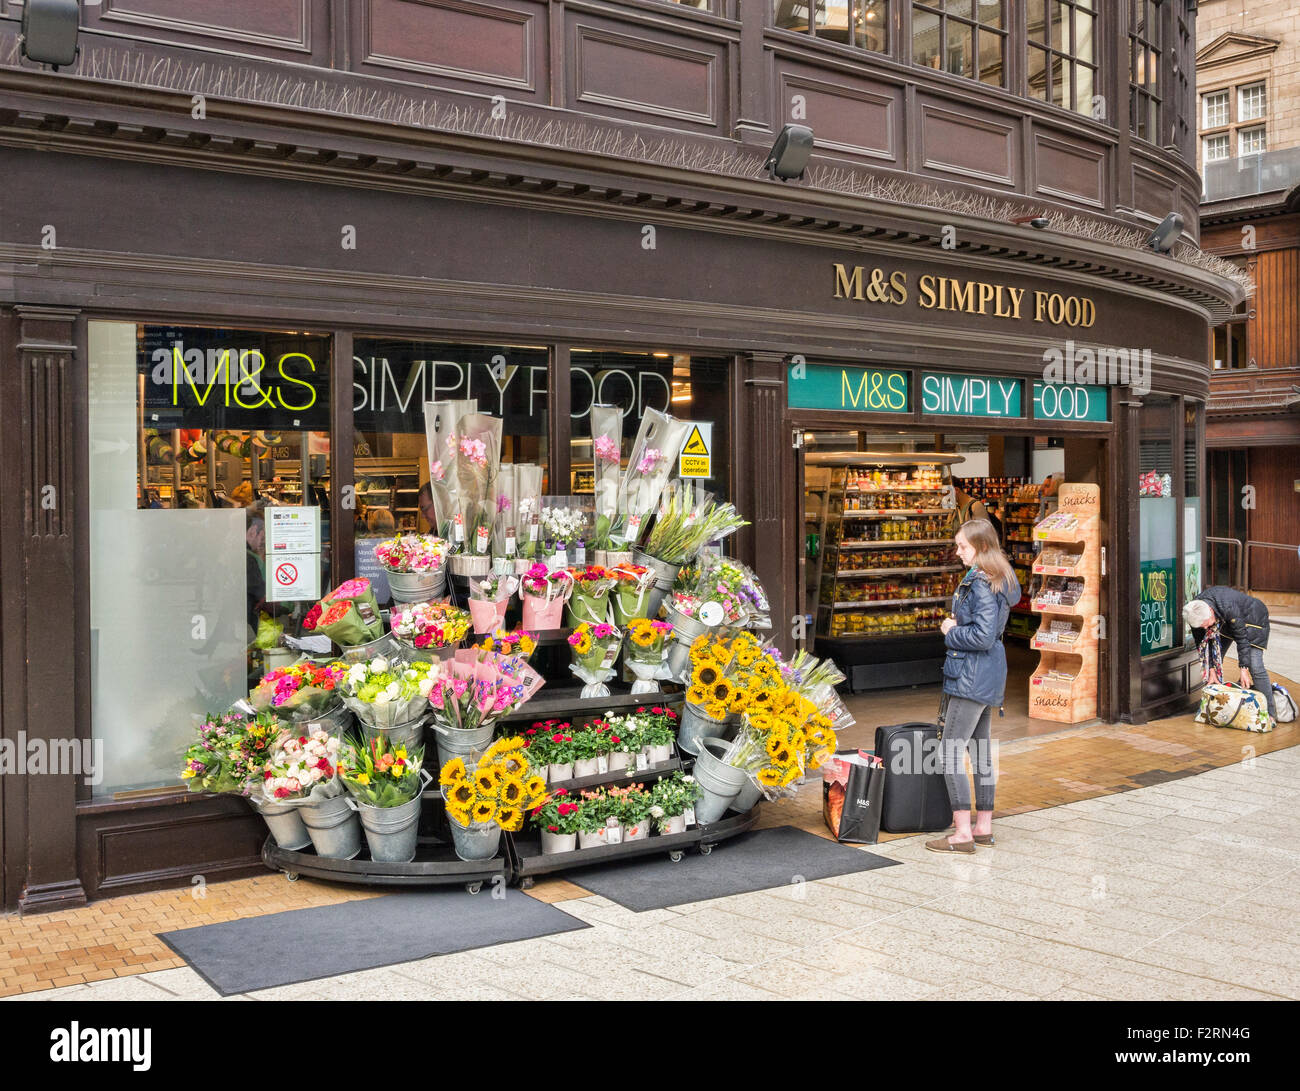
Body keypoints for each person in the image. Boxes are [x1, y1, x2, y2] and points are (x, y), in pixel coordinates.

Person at [927, 518, 1020, 855]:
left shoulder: (980, 582)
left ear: (980, 548)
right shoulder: (1002, 576)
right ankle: (983, 827)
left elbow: (981, 636)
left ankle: (962, 833)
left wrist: (951, 630)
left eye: (962, 546)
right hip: (989, 674)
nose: (957, 551)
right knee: (979, 753)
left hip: (970, 676)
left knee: (950, 752)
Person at [1184, 588, 1276, 721]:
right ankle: (1215, 708)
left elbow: (1241, 638)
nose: (1205, 628)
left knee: (1255, 665)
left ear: (1210, 612)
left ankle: (1270, 714)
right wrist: (1211, 669)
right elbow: (1203, 645)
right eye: (1201, 626)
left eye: (1206, 624)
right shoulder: (1193, 613)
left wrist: (1243, 668)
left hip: (1253, 618)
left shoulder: (1227, 606)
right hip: (1225, 621)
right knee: (1215, 664)